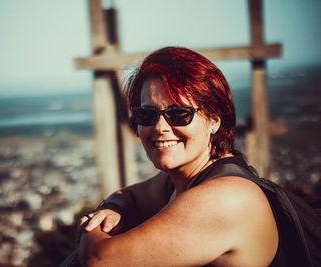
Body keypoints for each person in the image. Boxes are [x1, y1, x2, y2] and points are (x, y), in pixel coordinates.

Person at [68, 46, 282, 266]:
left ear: (214, 121)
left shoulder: (225, 198)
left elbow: (99, 260)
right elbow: (128, 196)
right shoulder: (179, 182)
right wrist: (111, 209)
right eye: (146, 114)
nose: (160, 127)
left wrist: (91, 228)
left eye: (179, 114)